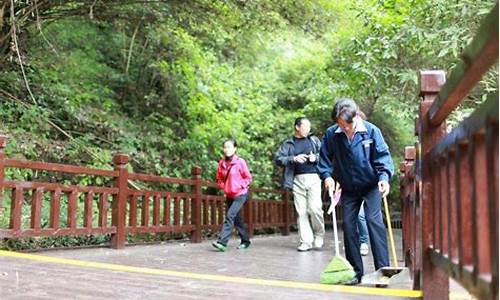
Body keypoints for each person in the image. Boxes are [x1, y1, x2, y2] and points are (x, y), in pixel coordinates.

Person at [317, 98, 394, 285]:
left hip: (371, 185)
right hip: (348, 188)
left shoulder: (371, 131)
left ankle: (382, 271)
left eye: (348, 125)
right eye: (341, 126)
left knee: (373, 221)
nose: (346, 129)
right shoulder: (332, 135)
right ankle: (355, 273)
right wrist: (327, 176)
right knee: (350, 226)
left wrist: (384, 178)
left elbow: (383, 158)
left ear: (356, 116)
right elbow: (324, 159)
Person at [275, 117, 325, 252]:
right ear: (297, 127)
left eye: (309, 127)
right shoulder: (288, 143)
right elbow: (278, 158)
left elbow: (325, 156)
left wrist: (316, 158)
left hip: (314, 177)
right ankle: (306, 241)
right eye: (305, 126)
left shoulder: (314, 140)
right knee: (301, 211)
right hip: (297, 180)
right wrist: (293, 158)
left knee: (315, 209)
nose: (308, 129)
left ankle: (319, 234)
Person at [212, 139, 252, 252]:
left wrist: (240, 186)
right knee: (236, 219)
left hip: (240, 194)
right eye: (225, 147)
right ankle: (246, 240)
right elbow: (219, 178)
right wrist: (223, 187)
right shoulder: (222, 163)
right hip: (229, 195)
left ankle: (222, 242)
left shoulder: (240, 162)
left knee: (230, 216)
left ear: (235, 149)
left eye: (229, 147)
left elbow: (248, 177)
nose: (226, 149)